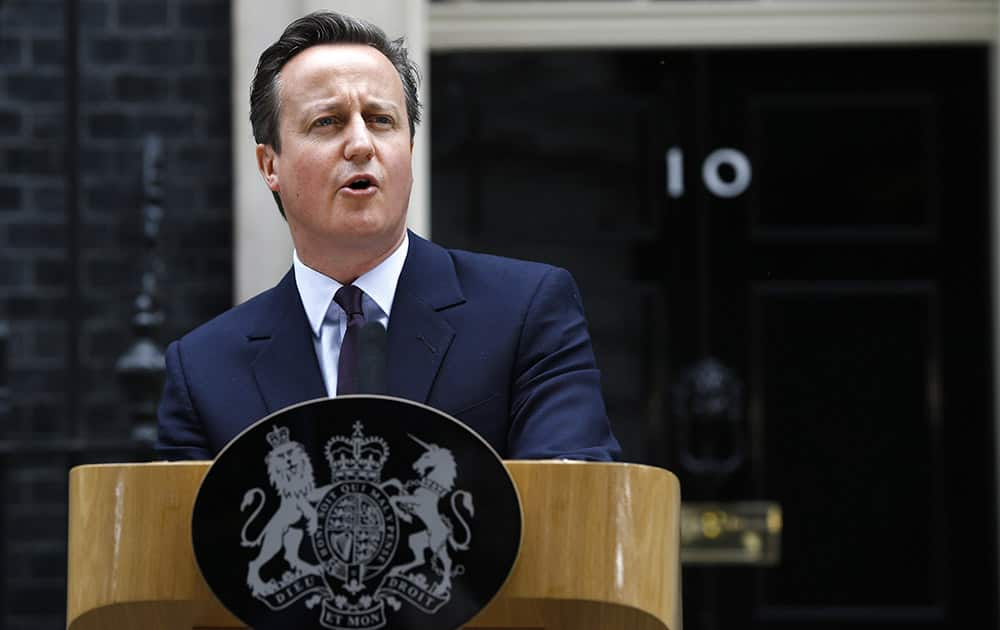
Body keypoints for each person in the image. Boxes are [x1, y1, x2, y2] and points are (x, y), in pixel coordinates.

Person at [155, 10, 620, 462]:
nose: (361, 144)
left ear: (410, 149)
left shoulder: (528, 313)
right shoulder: (203, 370)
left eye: (381, 120)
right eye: (327, 122)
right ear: (270, 165)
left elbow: (572, 507)